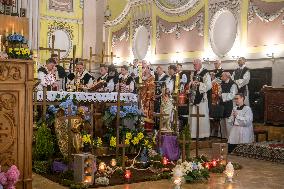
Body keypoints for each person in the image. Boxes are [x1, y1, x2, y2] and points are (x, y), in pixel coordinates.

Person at [188, 59, 212, 139]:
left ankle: (202, 134)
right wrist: (191, 84)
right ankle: (193, 134)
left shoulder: (205, 73)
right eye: (193, 65)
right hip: (193, 97)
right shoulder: (194, 73)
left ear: (200, 64)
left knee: (201, 115)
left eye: (195, 65)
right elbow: (191, 83)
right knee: (193, 115)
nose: (194, 66)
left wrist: (199, 84)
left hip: (201, 98)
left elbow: (209, 85)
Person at [219, 72, 238, 138]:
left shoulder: (233, 84)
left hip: (230, 104)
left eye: (222, 76)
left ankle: (230, 136)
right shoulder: (222, 83)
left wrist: (222, 96)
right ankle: (224, 136)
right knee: (222, 119)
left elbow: (233, 95)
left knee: (228, 120)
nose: (221, 77)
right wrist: (219, 94)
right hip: (222, 104)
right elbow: (220, 91)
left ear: (227, 77)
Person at [141, 64, 156, 131]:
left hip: (148, 100)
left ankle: (148, 129)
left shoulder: (151, 78)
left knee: (148, 114)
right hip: (142, 99)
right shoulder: (142, 78)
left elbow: (151, 90)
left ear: (149, 70)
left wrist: (147, 99)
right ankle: (141, 128)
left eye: (145, 69)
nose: (144, 70)